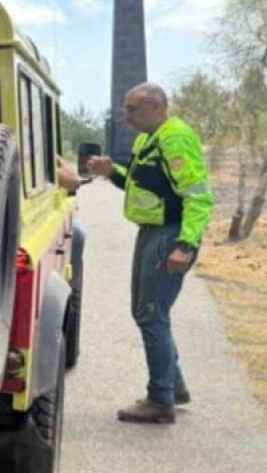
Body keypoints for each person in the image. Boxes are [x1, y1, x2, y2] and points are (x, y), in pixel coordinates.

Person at [87, 81, 213, 424]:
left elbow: (198, 195)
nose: (125, 116)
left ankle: (160, 401)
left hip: (169, 234)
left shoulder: (176, 138)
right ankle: (174, 385)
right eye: (125, 108)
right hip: (151, 231)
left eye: (133, 109)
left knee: (151, 313)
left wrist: (185, 245)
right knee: (146, 311)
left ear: (157, 107)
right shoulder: (148, 139)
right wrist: (112, 172)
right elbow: (140, 184)